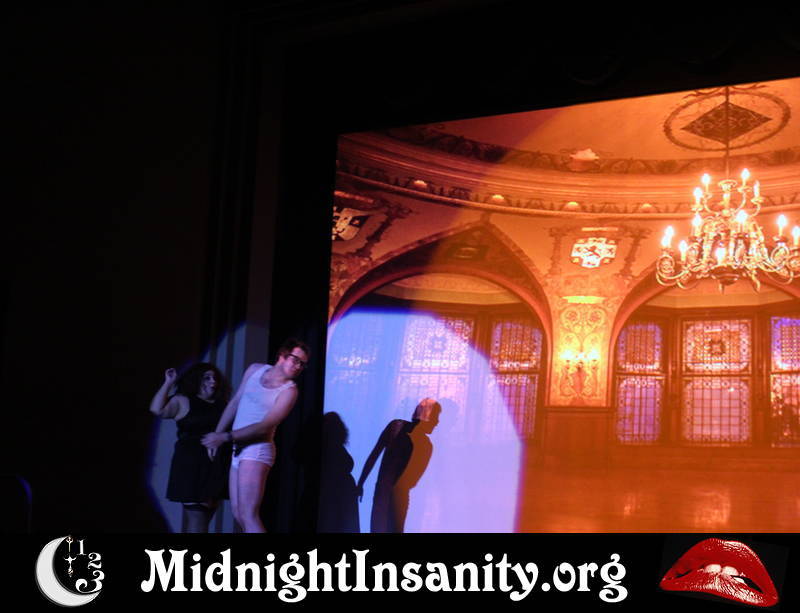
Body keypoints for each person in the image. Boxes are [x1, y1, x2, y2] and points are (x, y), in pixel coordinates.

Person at [201, 338, 310, 533]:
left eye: (302, 364)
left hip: (257, 450)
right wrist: (218, 433)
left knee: (249, 514)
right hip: (238, 448)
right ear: (282, 355)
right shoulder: (255, 370)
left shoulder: (289, 391)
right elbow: (235, 403)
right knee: (238, 512)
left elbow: (264, 426)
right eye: (295, 360)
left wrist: (225, 437)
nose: (298, 366)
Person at [149, 363, 232, 533]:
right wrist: (168, 382)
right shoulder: (183, 400)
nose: (213, 382)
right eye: (207, 378)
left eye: (215, 378)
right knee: (197, 522)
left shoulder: (222, 404)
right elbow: (157, 409)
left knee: (204, 522)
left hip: (216, 465)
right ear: (196, 380)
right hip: (191, 466)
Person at [356, 397, 441, 533]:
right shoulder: (401, 430)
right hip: (389, 494)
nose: (437, 422)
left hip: (388, 493)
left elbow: (374, 455)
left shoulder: (401, 430)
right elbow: (374, 455)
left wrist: (361, 483)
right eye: (435, 416)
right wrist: (361, 483)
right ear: (426, 415)